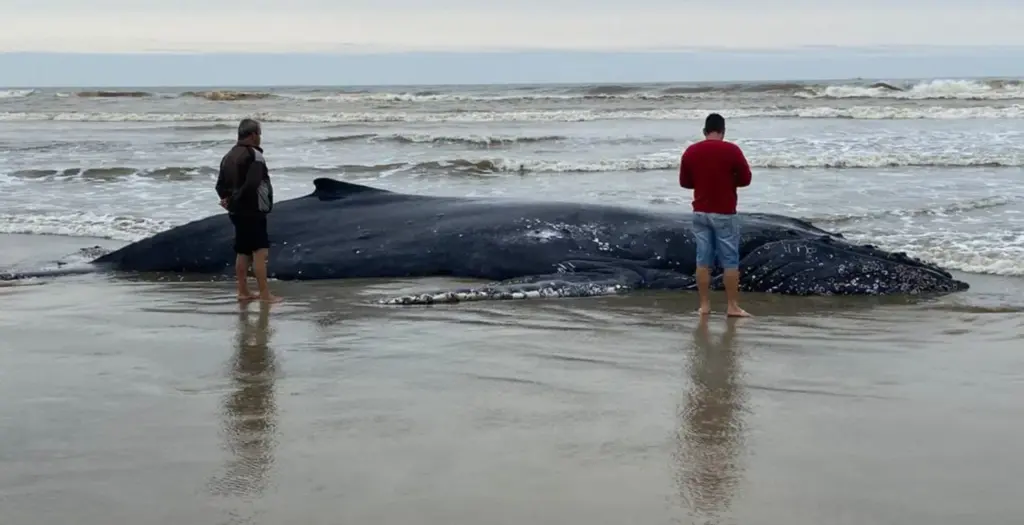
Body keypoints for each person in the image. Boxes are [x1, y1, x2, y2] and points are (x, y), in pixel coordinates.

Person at [679, 113, 752, 317]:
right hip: (725, 212)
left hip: (700, 212)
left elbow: (685, 182)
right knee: (730, 260)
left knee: (703, 260)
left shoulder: (691, 151)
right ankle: (732, 306)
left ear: (704, 132)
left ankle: (704, 306)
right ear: (723, 131)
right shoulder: (732, 150)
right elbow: (746, 179)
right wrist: (727, 181)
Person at [215, 118, 281, 303]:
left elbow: (220, 185)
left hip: (236, 212)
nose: (260, 138)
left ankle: (243, 292)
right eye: (259, 134)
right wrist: (236, 200)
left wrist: (226, 200)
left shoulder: (228, 155)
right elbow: (253, 183)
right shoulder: (254, 155)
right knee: (260, 252)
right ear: (253, 135)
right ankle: (265, 295)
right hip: (253, 210)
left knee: (243, 251)